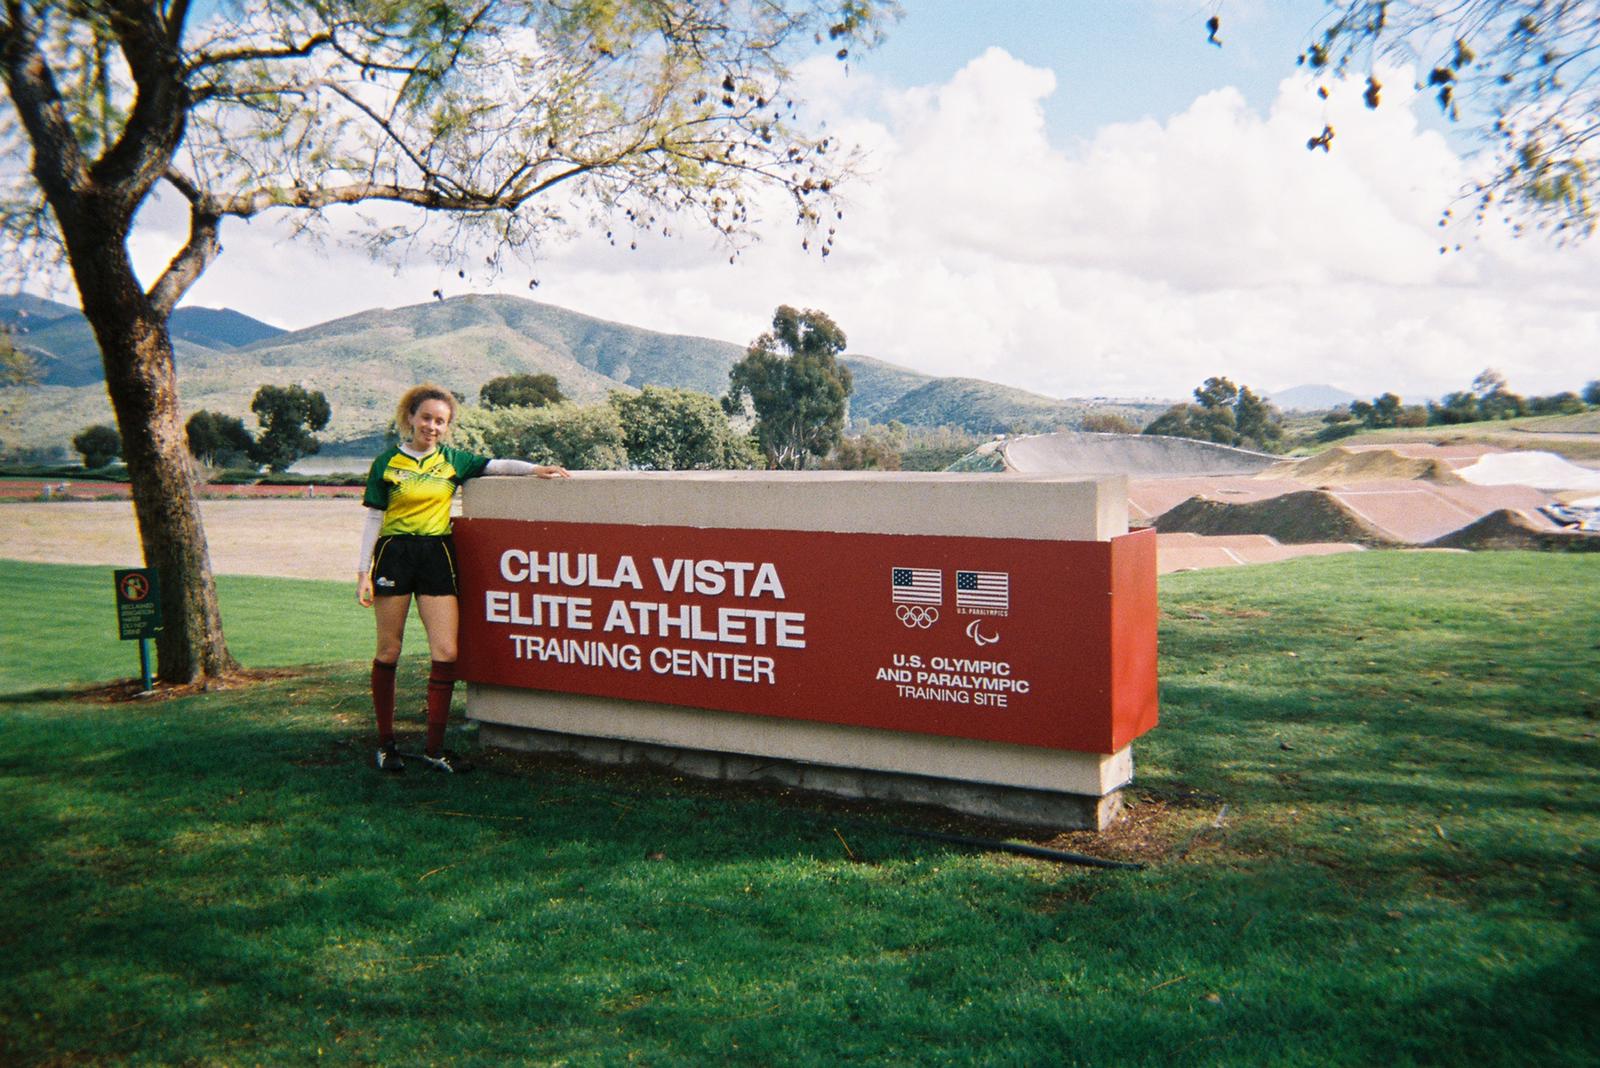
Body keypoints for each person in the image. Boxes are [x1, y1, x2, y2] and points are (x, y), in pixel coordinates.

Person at [357, 383, 570, 773]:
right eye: (426, 418)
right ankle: (386, 744)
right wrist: (362, 573)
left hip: (436, 554)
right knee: (389, 652)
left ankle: (434, 749)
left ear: (447, 426)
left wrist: (536, 469)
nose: (432, 427)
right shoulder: (386, 463)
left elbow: (496, 465)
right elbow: (373, 517)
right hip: (394, 555)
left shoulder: (452, 460)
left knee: (446, 652)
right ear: (410, 417)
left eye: (440, 421)